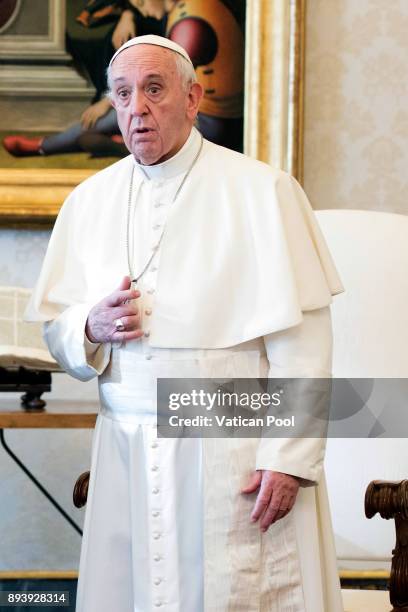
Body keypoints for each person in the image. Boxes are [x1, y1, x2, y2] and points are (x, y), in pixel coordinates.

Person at [25, 35, 345, 612]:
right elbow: (58, 330)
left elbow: (305, 345)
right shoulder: (88, 201)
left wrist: (287, 459)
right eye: (122, 94)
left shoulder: (264, 191)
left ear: (194, 98)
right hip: (125, 447)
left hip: (234, 448)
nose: (137, 109)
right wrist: (90, 327)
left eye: (154, 90)